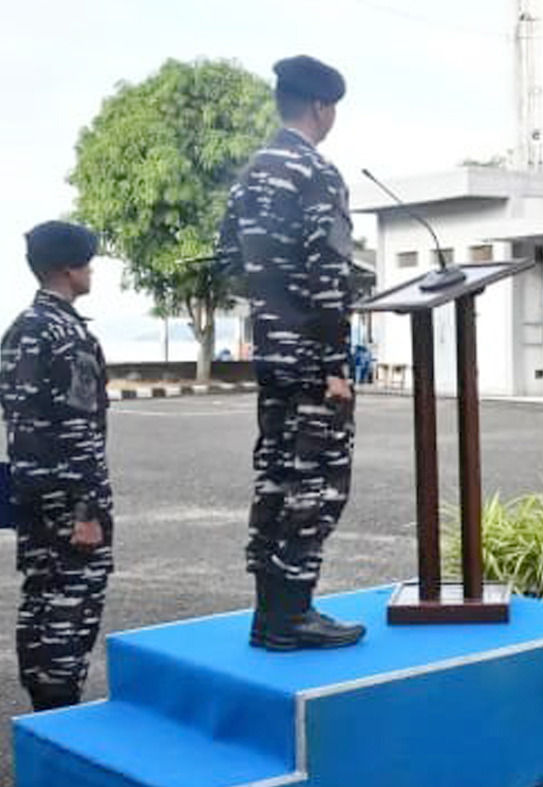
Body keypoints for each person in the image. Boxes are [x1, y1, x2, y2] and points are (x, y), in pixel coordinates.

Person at [218, 55, 364, 651]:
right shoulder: (316, 173)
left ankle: (268, 614)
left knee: (275, 477)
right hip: (311, 357)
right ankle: (293, 615)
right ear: (321, 108)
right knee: (319, 481)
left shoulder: (251, 174)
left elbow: (228, 259)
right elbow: (330, 271)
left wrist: (269, 306)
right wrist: (335, 365)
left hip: (271, 352)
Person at [1, 221, 113, 710]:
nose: (91, 270)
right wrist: (86, 510)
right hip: (71, 503)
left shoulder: (20, 330)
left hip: (31, 493)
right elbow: (79, 429)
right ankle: (58, 706)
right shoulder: (68, 335)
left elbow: (22, 422)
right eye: (86, 262)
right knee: (73, 602)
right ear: (68, 270)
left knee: (40, 598)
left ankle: (42, 707)